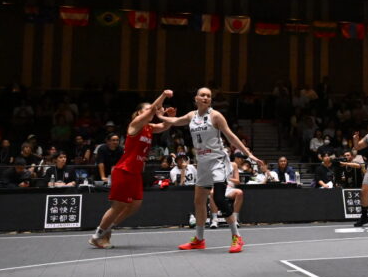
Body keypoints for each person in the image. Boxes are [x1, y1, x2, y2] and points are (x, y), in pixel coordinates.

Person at [153, 87, 265, 253]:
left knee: (219, 199)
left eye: (208, 96)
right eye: (202, 95)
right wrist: (161, 116)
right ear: (196, 98)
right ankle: (199, 239)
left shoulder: (215, 116)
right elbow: (175, 121)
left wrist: (249, 154)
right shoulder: (191, 116)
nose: (206, 97)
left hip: (217, 160)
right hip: (202, 162)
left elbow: (231, 136)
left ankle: (237, 237)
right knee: (199, 201)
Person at [89, 90, 173, 249]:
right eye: (147, 109)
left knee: (135, 205)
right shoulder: (134, 125)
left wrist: (167, 116)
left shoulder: (149, 127)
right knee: (118, 206)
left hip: (135, 173)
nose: (152, 111)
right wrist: (163, 95)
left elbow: (164, 126)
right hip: (124, 170)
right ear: (139, 113)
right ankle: (97, 235)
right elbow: (152, 110)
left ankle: (108, 228)